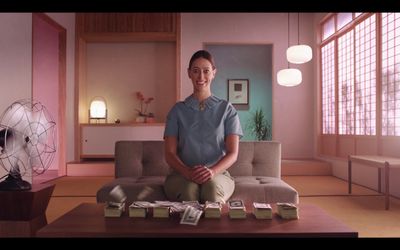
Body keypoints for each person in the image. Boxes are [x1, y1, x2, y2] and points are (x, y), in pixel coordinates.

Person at [163, 50, 243, 204]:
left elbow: (233, 153)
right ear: (189, 74)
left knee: (211, 189)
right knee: (189, 190)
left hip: (218, 175)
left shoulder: (227, 109)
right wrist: (187, 172)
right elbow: (169, 154)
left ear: (214, 73)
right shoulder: (177, 111)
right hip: (180, 175)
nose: (201, 77)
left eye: (206, 71)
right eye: (195, 71)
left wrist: (212, 171)